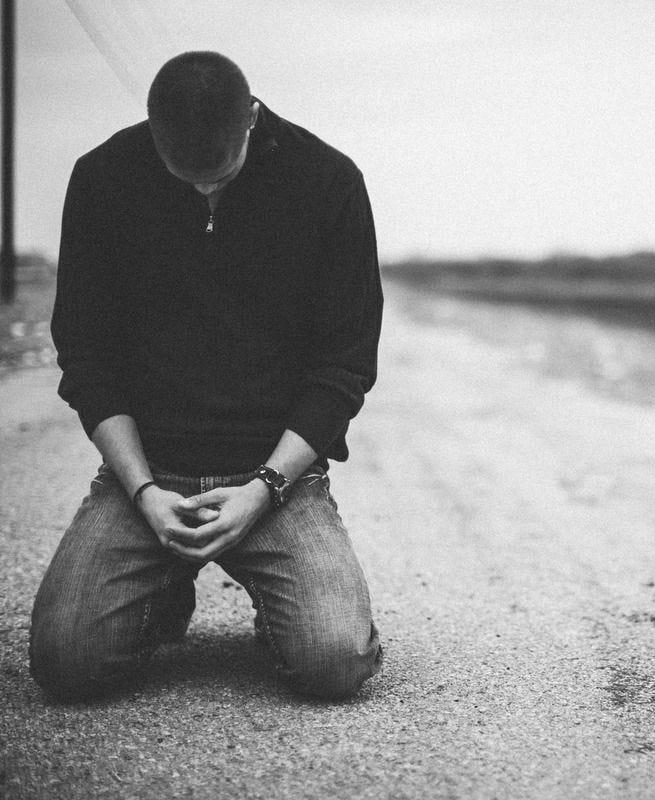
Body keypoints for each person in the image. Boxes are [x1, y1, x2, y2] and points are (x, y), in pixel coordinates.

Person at [29, 51, 384, 701]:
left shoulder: (327, 181)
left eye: (218, 172)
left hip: (275, 480)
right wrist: (143, 492)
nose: (202, 190)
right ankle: (161, 594)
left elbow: (344, 363)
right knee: (65, 665)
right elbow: (87, 353)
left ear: (251, 118)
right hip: (150, 475)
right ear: (152, 130)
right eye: (181, 174)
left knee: (333, 662)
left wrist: (265, 487)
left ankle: (280, 614)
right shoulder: (104, 177)